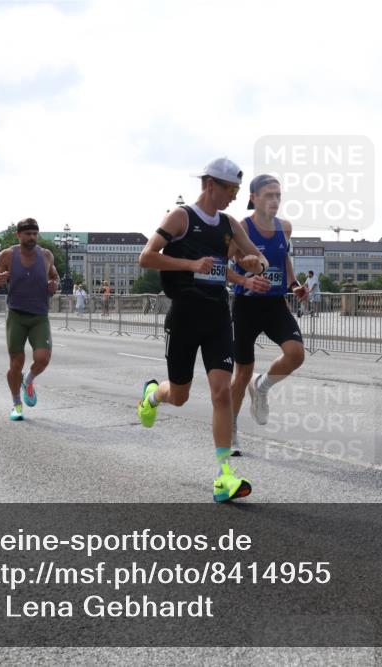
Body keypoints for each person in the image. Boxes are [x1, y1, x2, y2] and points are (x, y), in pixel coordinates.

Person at [136, 157, 270, 503]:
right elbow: (147, 257)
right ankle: (152, 395)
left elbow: (252, 257)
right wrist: (190, 264)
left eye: (238, 190)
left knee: (221, 392)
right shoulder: (181, 217)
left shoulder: (228, 224)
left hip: (216, 316)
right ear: (210, 184)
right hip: (183, 316)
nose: (235, 196)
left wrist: (252, 266)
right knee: (178, 396)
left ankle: (224, 476)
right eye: (231, 189)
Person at [227, 175, 308, 452]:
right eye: (268, 195)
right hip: (246, 305)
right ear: (253, 198)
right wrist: (244, 276)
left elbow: (284, 259)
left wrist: (294, 285)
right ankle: (231, 429)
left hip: (275, 304)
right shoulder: (240, 228)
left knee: (296, 354)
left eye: (278, 195)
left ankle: (261, 386)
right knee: (241, 373)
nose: (274, 200)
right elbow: (224, 263)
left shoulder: (285, 228)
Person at [0, 218, 61, 421]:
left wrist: (54, 284)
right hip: (16, 316)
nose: (32, 238)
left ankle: (29, 379)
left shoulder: (46, 256)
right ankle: (17, 404)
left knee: (43, 359)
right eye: (27, 234)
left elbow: (55, 276)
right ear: (19, 235)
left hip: (39, 316)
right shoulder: (8, 255)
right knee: (16, 363)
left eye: (35, 234)